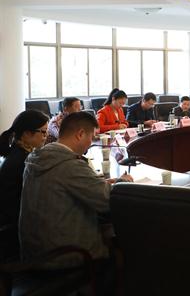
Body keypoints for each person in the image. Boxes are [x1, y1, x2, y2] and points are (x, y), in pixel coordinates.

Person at [20, 112, 132, 271]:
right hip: (64, 256)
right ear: (80, 134)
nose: (91, 143)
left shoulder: (37, 158)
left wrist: (100, 183)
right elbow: (108, 201)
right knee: (125, 247)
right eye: (91, 137)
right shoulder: (70, 165)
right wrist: (123, 182)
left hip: (36, 251)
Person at [0, 110, 49, 258]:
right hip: (16, 230)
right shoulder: (22, 161)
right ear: (27, 134)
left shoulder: (19, 153)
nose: (46, 137)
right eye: (43, 132)